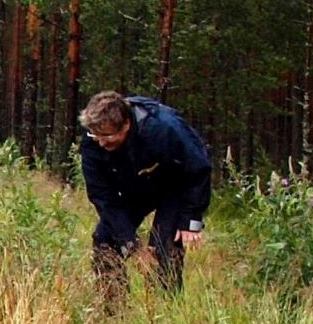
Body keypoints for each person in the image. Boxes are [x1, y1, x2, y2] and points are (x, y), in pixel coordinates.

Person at [77, 88, 213, 301]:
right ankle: (115, 313)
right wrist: (133, 246)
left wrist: (191, 219)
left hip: (173, 187)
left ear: (126, 125)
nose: (101, 142)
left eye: (107, 136)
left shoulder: (163, 127)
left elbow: (199, 167)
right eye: (96, 136)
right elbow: (103, 197)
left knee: (165, 248)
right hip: (134, 188)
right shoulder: (92, 140)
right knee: (105, 241)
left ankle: (167, 312)